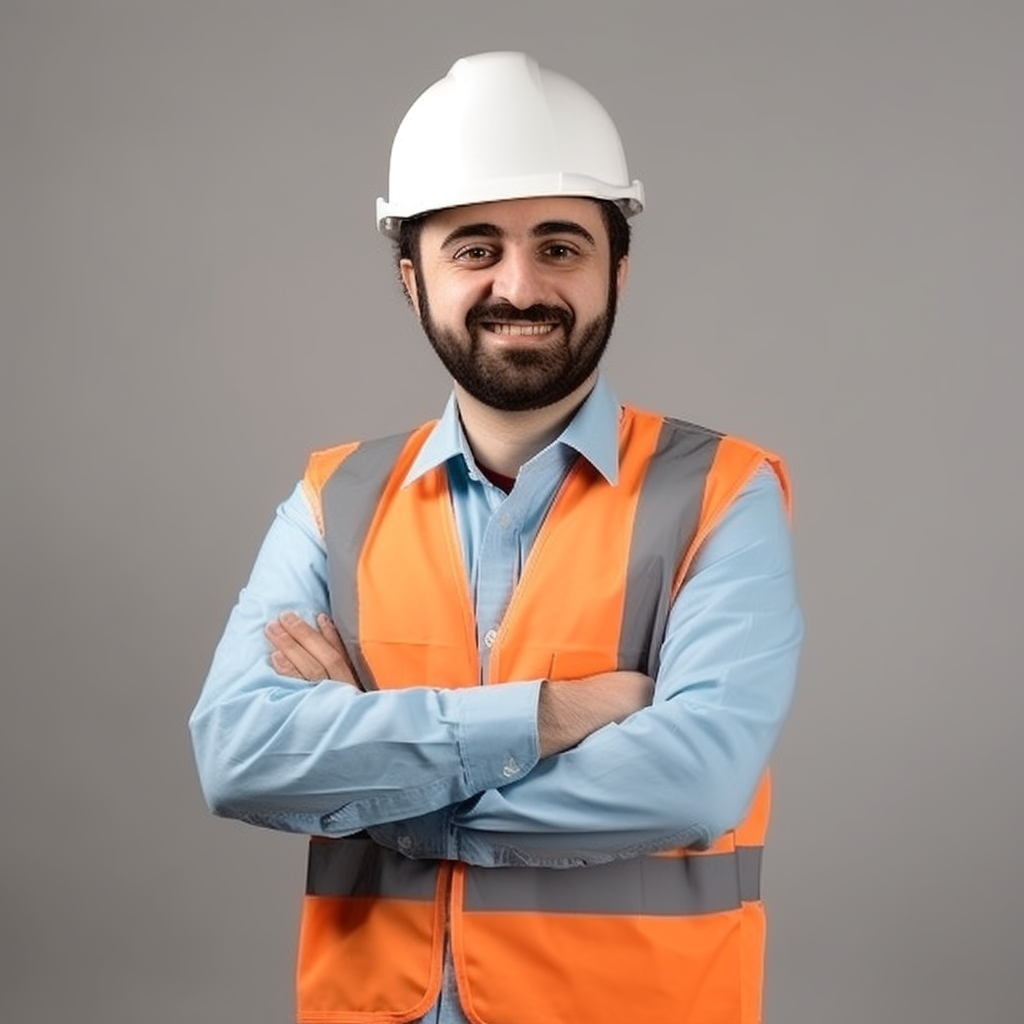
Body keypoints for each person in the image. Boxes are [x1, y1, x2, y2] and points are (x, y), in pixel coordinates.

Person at [189, 51, 803, 1024]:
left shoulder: (721, 493)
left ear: (616, 268)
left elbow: (692, 780)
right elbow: (237, 756)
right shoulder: (334, 496)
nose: (519, 285)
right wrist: (549, 716)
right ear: (411, 276)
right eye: (474, 248)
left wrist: (378, 781)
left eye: (558, 246)